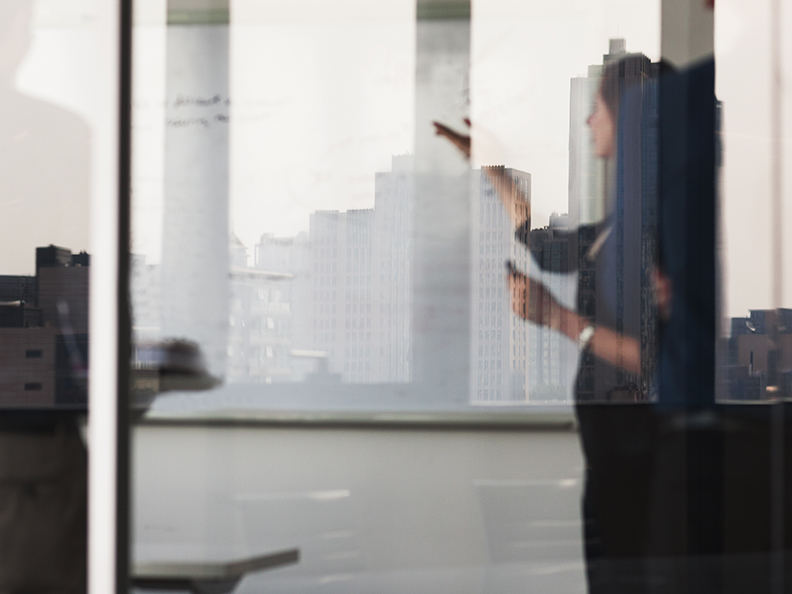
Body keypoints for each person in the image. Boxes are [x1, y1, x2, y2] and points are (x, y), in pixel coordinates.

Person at [435, 53, 660, 592]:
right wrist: (492, 167)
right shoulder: (619, 226)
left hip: (635, 466)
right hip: (610, 462)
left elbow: (653, 358)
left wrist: (557, 318)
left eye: (597, 109)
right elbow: (543, 246)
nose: (588, 122)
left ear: (625, 117)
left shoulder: (652, 228)